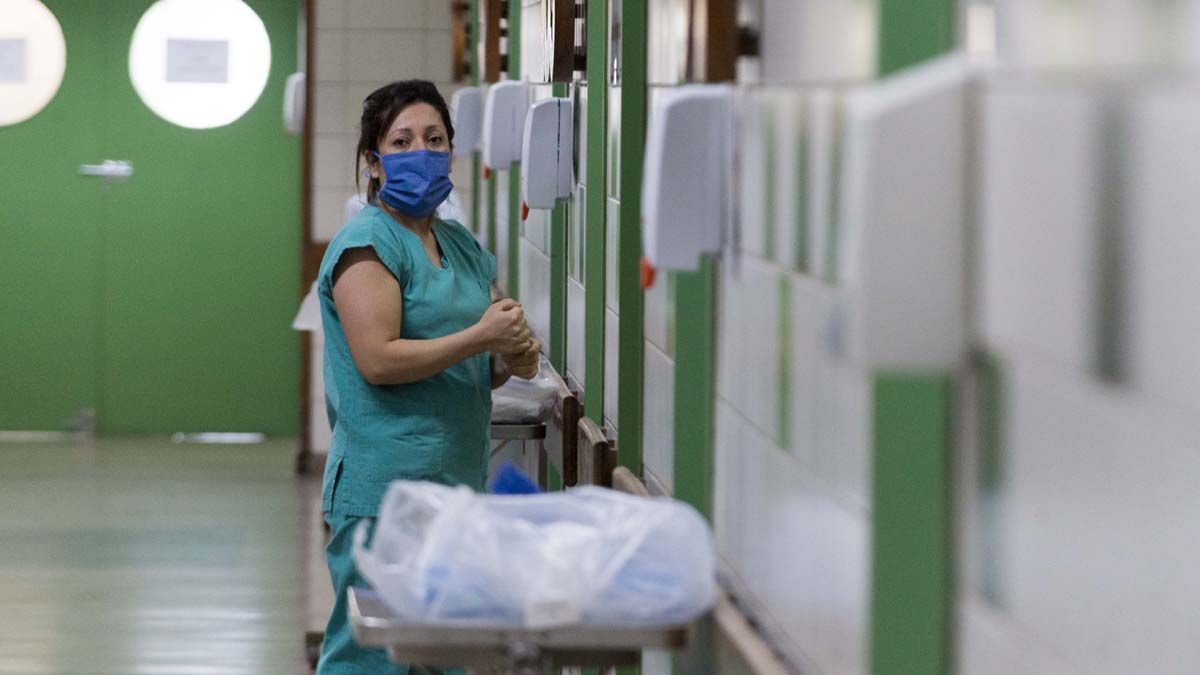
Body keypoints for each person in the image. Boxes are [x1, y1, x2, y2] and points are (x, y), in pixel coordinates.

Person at [315, 80, 540, 674]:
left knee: (446, 654)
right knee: (374, 658)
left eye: (435, 139)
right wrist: (481, 337)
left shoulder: (461, 246)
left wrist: (508, 357)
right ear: (374, 161)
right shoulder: (367, 244)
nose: (423, 151)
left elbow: (468, 364)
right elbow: (379, 361)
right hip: (382, 491)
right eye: (403, 140)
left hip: (454, 484)